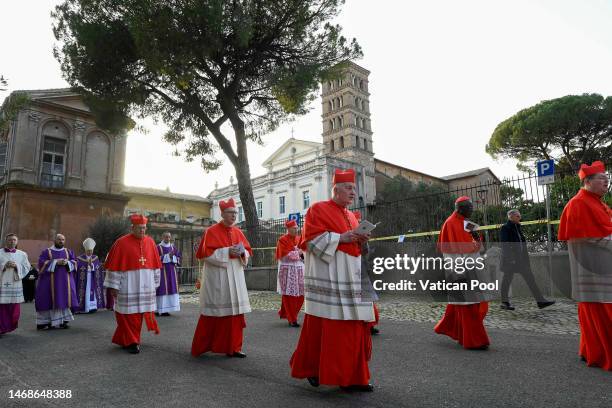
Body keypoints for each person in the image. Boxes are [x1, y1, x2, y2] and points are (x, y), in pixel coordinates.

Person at [290, 168, 375, 392]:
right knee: (334, 328)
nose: (353, 193)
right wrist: (342, 237)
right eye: (348, 188)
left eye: (354, 189)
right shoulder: (318, 209)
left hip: (352, 276)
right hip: (331, 278)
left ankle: (355, 376)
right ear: (335, 189)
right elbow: (311, 242)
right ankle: (325, 371)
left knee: (355, 326)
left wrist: (362, 241)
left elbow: (354, 246)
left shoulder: (350, 215)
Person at [558, 161, 611, 371]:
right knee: (603, 313)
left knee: (596, 313)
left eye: (607, 178)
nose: (606, 181)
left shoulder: (596, 202)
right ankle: (601, 354)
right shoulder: (579, 203)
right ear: (587, 181)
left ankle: (592, 351)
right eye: (601, 178)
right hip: (594, 271)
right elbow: (589, 237)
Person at [191, 198, 252, 358]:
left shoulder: (238, 232)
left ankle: (234, 347)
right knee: (215, 312)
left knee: (235, 315)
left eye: (235, 213)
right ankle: (204, 346)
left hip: (236, 276)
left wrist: (242, 253)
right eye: (231, 213)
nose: (234, 216)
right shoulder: (211, 231)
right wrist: (226, 252)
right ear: (223, 213)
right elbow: (205, 255)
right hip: (218, 278)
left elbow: (247, 252)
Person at [434, 196, 490, 350]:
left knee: (473, 304)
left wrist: (477, 240)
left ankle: (460, 333)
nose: (472, 210)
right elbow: (452, 252)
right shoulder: (450, 223)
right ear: (460, 208)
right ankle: (474, 340)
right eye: (469, 208)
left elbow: (479, 246)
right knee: (468, 306)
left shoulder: (468, 223)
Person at [104, 214, 162, 354]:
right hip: (127, 284)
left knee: (138, 314)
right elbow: (115, 266)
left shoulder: (150, 242)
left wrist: (155, 282)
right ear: (132, 227)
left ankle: (128, 339)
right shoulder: (121, 242)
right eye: (139, 228)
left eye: (144, 228)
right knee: (127, 314)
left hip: (146, 285)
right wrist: (114, 286)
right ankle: (132, 341)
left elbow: (155, 265)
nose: (142, 231)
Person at [499, 209, 554, 310]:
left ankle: (540, 301)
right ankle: (504, 303)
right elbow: (505, 245)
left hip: (521, 261)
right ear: (511, 217)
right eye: (518, 216)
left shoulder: (518, 227)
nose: (520, 218)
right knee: (506, 281)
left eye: (519, 216)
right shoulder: (505, 228)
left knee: (530, 279)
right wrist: (510, 259)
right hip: (510, 261)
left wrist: (525, 260)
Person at [35, 234, 78, 330]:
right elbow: (41, 263)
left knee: (63, 299)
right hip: (48, 282)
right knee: (47, 300)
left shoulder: (68, 252)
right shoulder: (47, 251)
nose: (61, 241)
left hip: (64, 282)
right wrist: (55, 262)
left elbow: (75, 262)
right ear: (54, 240)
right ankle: (44, 322)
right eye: (59, 239)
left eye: (63, 239)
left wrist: (67, 263)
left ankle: (62, 321)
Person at [353, 210, 380, 335]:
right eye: (357, 222)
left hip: (362, 268)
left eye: (360, 222)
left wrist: (364, 242)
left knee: (368, 297)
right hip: (352, 268)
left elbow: (365, 252)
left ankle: (370, 324)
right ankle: (364, 324)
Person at [0, 234, 31, 336]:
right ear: (6, 241)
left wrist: (17, 266)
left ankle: (9, 325)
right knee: (2, 308)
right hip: (2, 284)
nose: (12, 242)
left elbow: (27, 267)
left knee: (14, 308)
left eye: (14, 240)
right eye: (10, 240)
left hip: (15, 284)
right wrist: (4, 266)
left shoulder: (22, 254)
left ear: (17, 242)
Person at [276, 219, 304, 327]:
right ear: (288, 229)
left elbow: (303, 253)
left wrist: (301, 253)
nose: (296, 230)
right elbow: (283, 256)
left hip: (299, 270)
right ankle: (292, 319)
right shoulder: (282, 239)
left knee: (300, 295)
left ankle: (289, 314)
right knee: (289, 296)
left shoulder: (299, 238)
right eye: (294, 228)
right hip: (288, 271)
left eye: (297, 228)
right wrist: (298, 252)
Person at [74, 238, 105, 314]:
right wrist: (87, 265)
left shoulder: (95, 258)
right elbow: (78, 269)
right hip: (84, 279)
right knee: (85, 292)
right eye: (88, 251)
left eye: (91, 251)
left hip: (93, 278)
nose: (90, 252)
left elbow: (98, 268)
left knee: (93, 292)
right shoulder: (80, 258)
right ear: (85, 250)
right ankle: (83, 307)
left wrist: (92, 266)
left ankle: (93, 307)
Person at [156, 232, 181, 316]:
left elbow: (178, 258)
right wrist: (167, 256)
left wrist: (173, 257)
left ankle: (168, 309)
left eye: (169, 237)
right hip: (162, 272)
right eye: (166, 237)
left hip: (172, 272)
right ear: (162, 237)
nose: (168, 238)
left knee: (171, 288)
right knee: (162, 289)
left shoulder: (173, 247)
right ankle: (159, 309)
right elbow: (155, 259)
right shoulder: (158, 247)